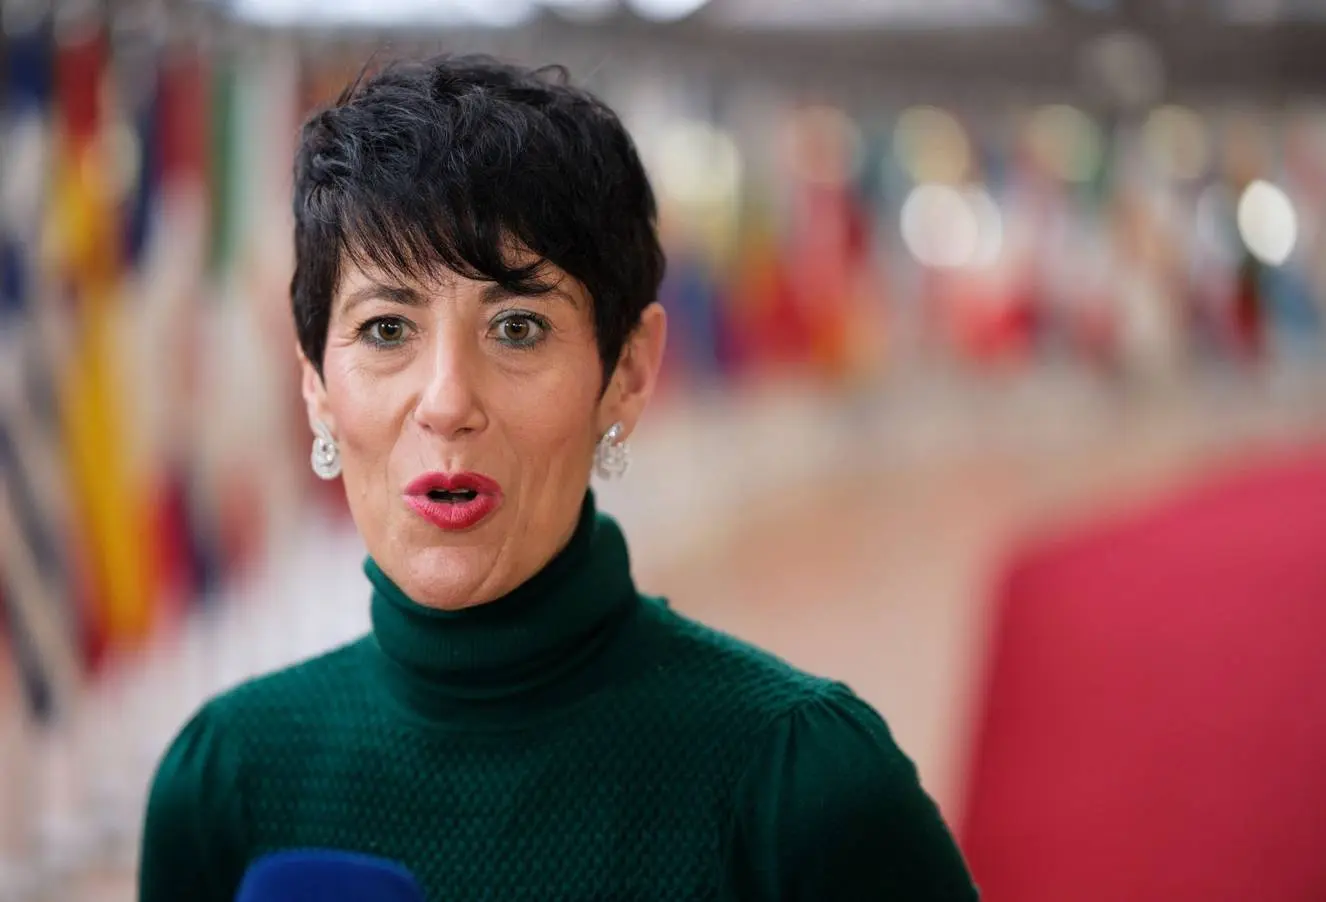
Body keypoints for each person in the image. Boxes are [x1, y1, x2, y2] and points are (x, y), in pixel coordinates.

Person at [138, 55, 979, 901]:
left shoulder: (803, 786)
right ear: (316, 384)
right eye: (388, 328)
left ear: (628, 373)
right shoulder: (226, 784)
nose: (446, 403)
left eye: (517, 328)